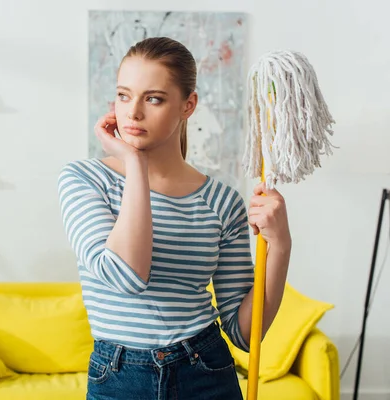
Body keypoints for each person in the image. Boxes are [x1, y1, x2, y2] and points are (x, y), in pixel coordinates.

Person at [57, 37, 292, 400]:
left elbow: (246, 335)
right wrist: (134, 163)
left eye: (153, 98)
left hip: (206, 371)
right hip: (120, 377)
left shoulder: (221, 201)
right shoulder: (84, 180)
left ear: (188, 105)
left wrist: (280, 245)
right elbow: (125, 276)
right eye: (123, 95)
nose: (132, 112)